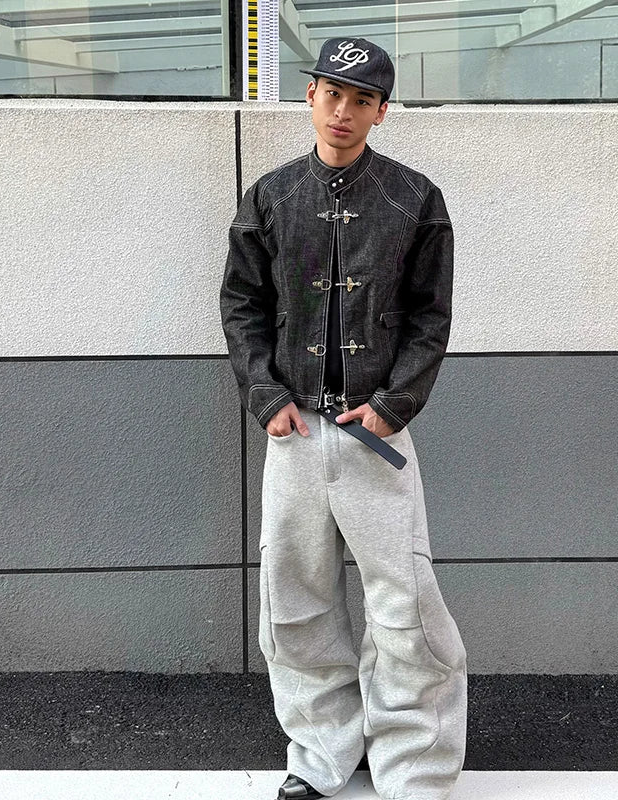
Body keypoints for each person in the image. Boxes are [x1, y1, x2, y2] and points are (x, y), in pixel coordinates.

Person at [220, 36, 467, 800]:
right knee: (295, 603)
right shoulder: (270, 197)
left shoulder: (414, 199)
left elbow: (430, 318)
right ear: (310, 96)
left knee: (406, 606)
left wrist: (394, 406)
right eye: (332, 93)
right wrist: (265, 397)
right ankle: (320, 754)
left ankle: (415, 768)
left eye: (363, 99)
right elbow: (241, 306)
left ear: (382, 111)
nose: (344, 111)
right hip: (293, 431)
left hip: (374, 436)